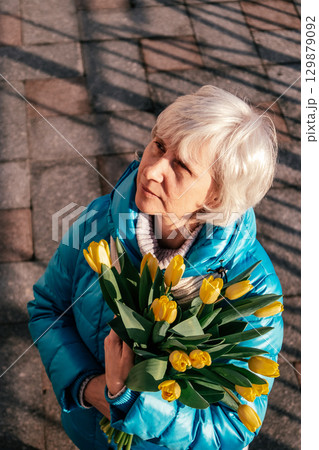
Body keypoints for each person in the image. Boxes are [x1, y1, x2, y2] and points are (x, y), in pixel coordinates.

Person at [27, 85, 283, 450]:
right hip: (90, 431)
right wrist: (88, 387)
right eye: (159, 146)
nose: (151, 172)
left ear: (217, 195)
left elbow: (233, 428)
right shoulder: (98, 221)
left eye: (180, 166)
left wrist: (134, 402)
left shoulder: (251, 288)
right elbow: (48, 308)